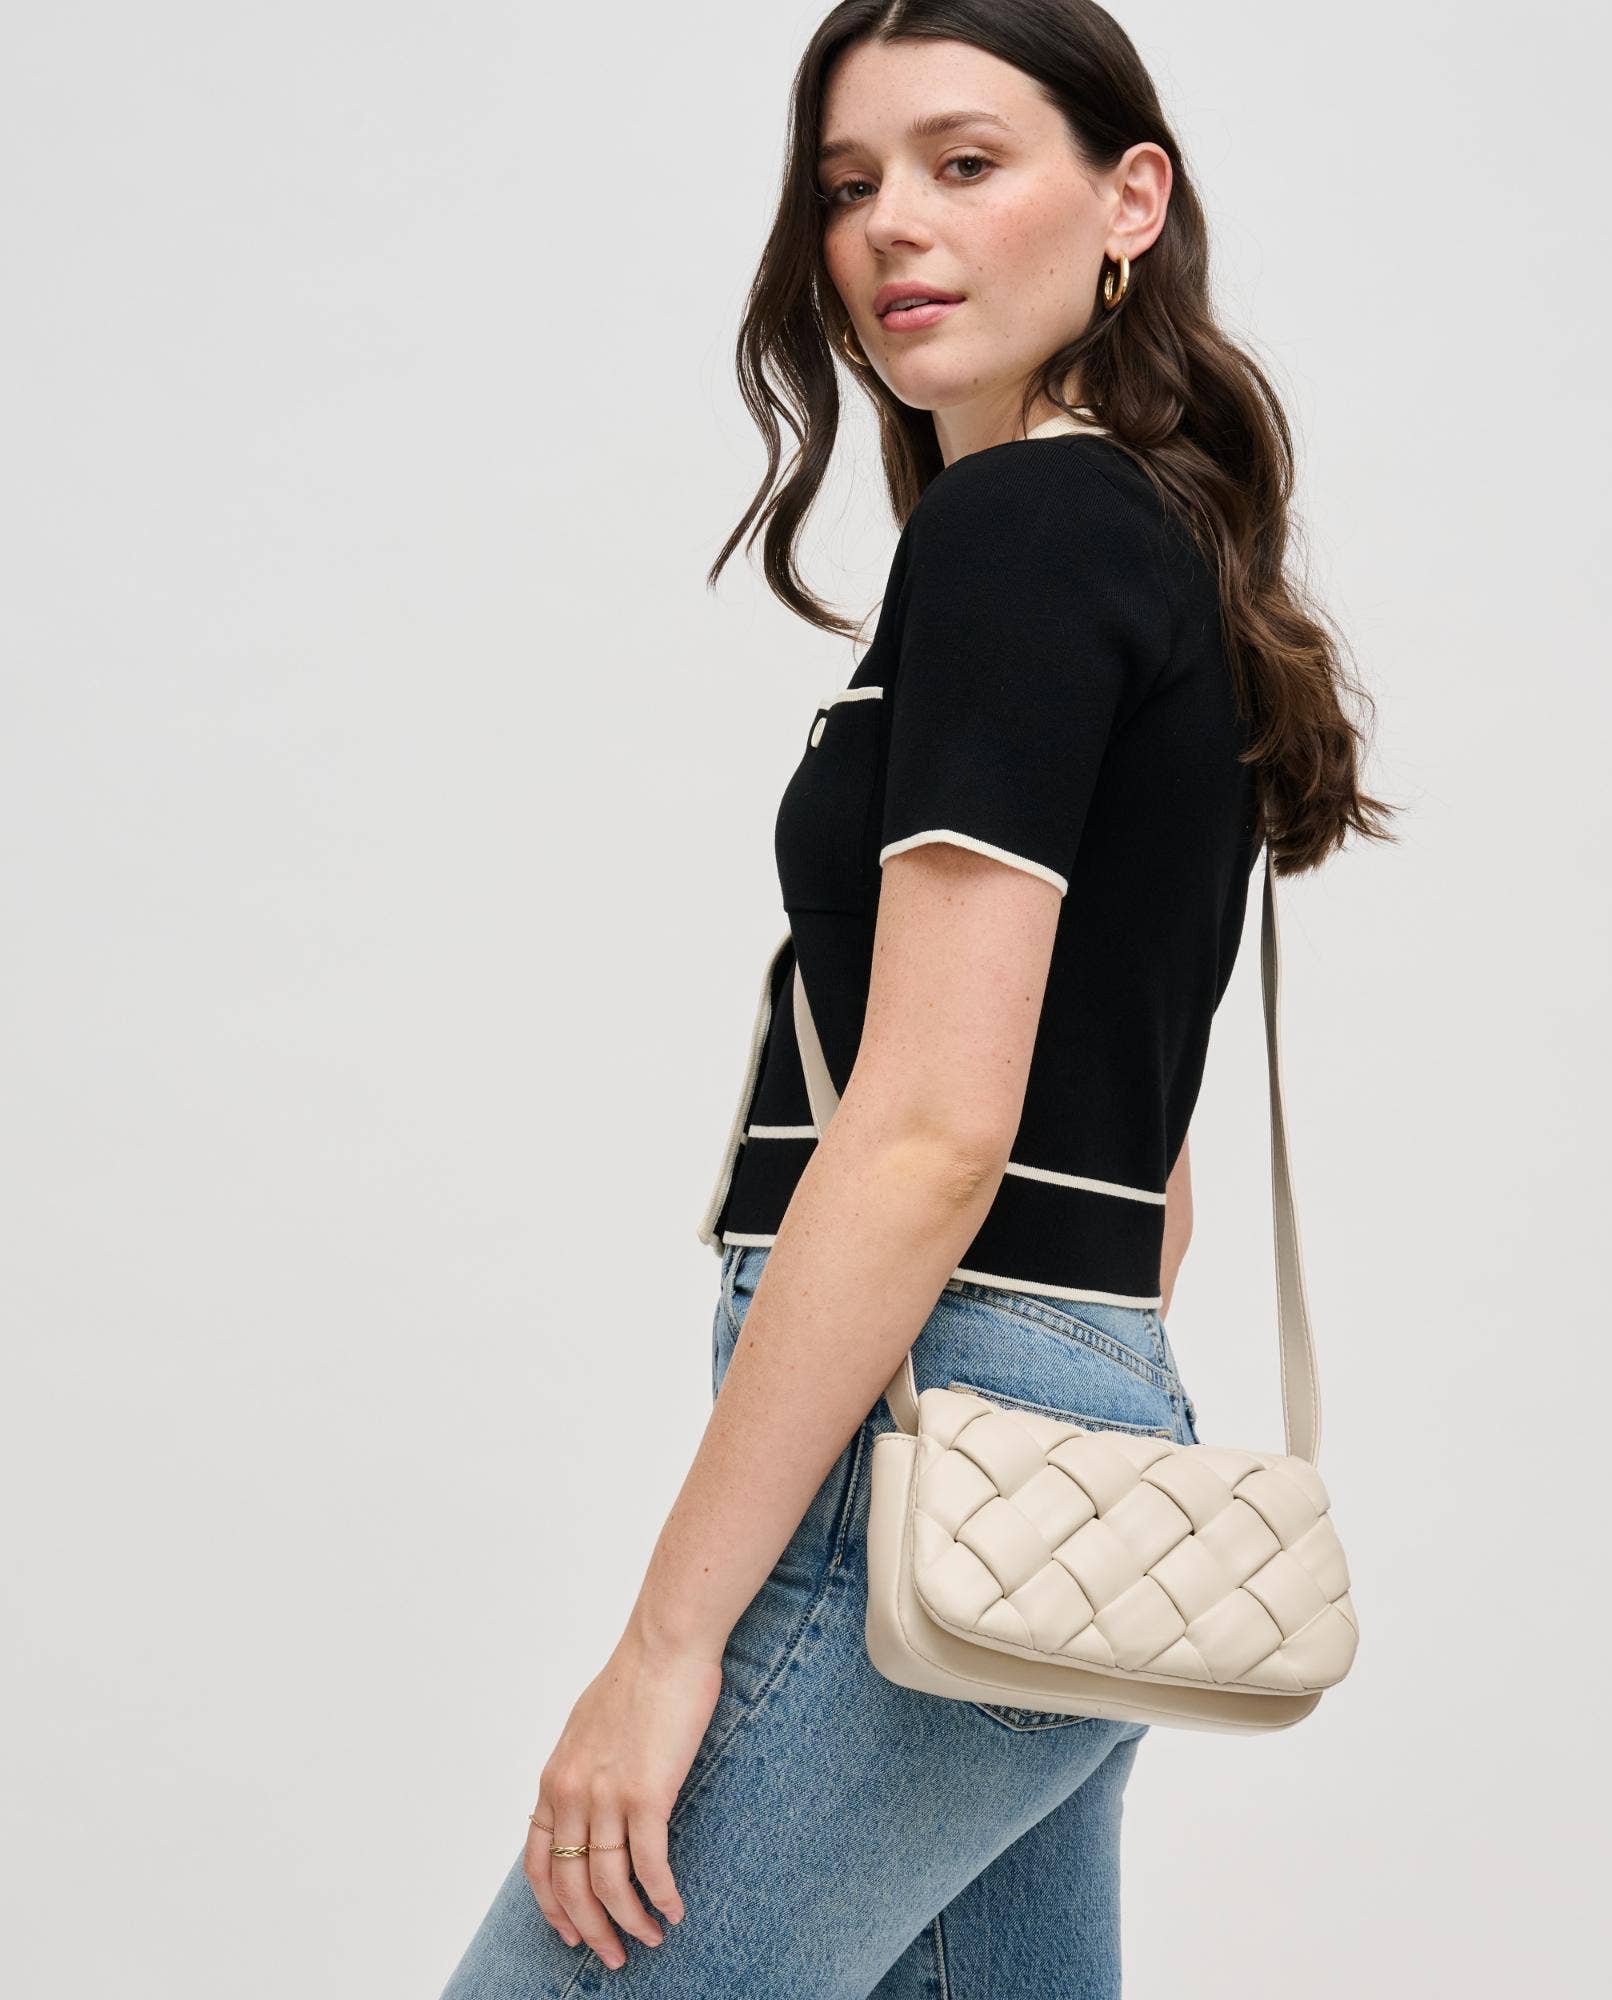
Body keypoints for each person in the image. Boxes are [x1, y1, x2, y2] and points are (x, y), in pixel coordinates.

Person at [440, 4, 1391, 1993]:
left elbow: (936, 1129)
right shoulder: (1159, 542)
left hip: (925, 1426)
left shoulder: (1021, 531)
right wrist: (1056, 1379)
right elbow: (1146, 1169)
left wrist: (668, 1642)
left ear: (1131, 200)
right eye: (848, 183)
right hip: (1075, 1451)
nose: (890, 226)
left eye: (966, 163)